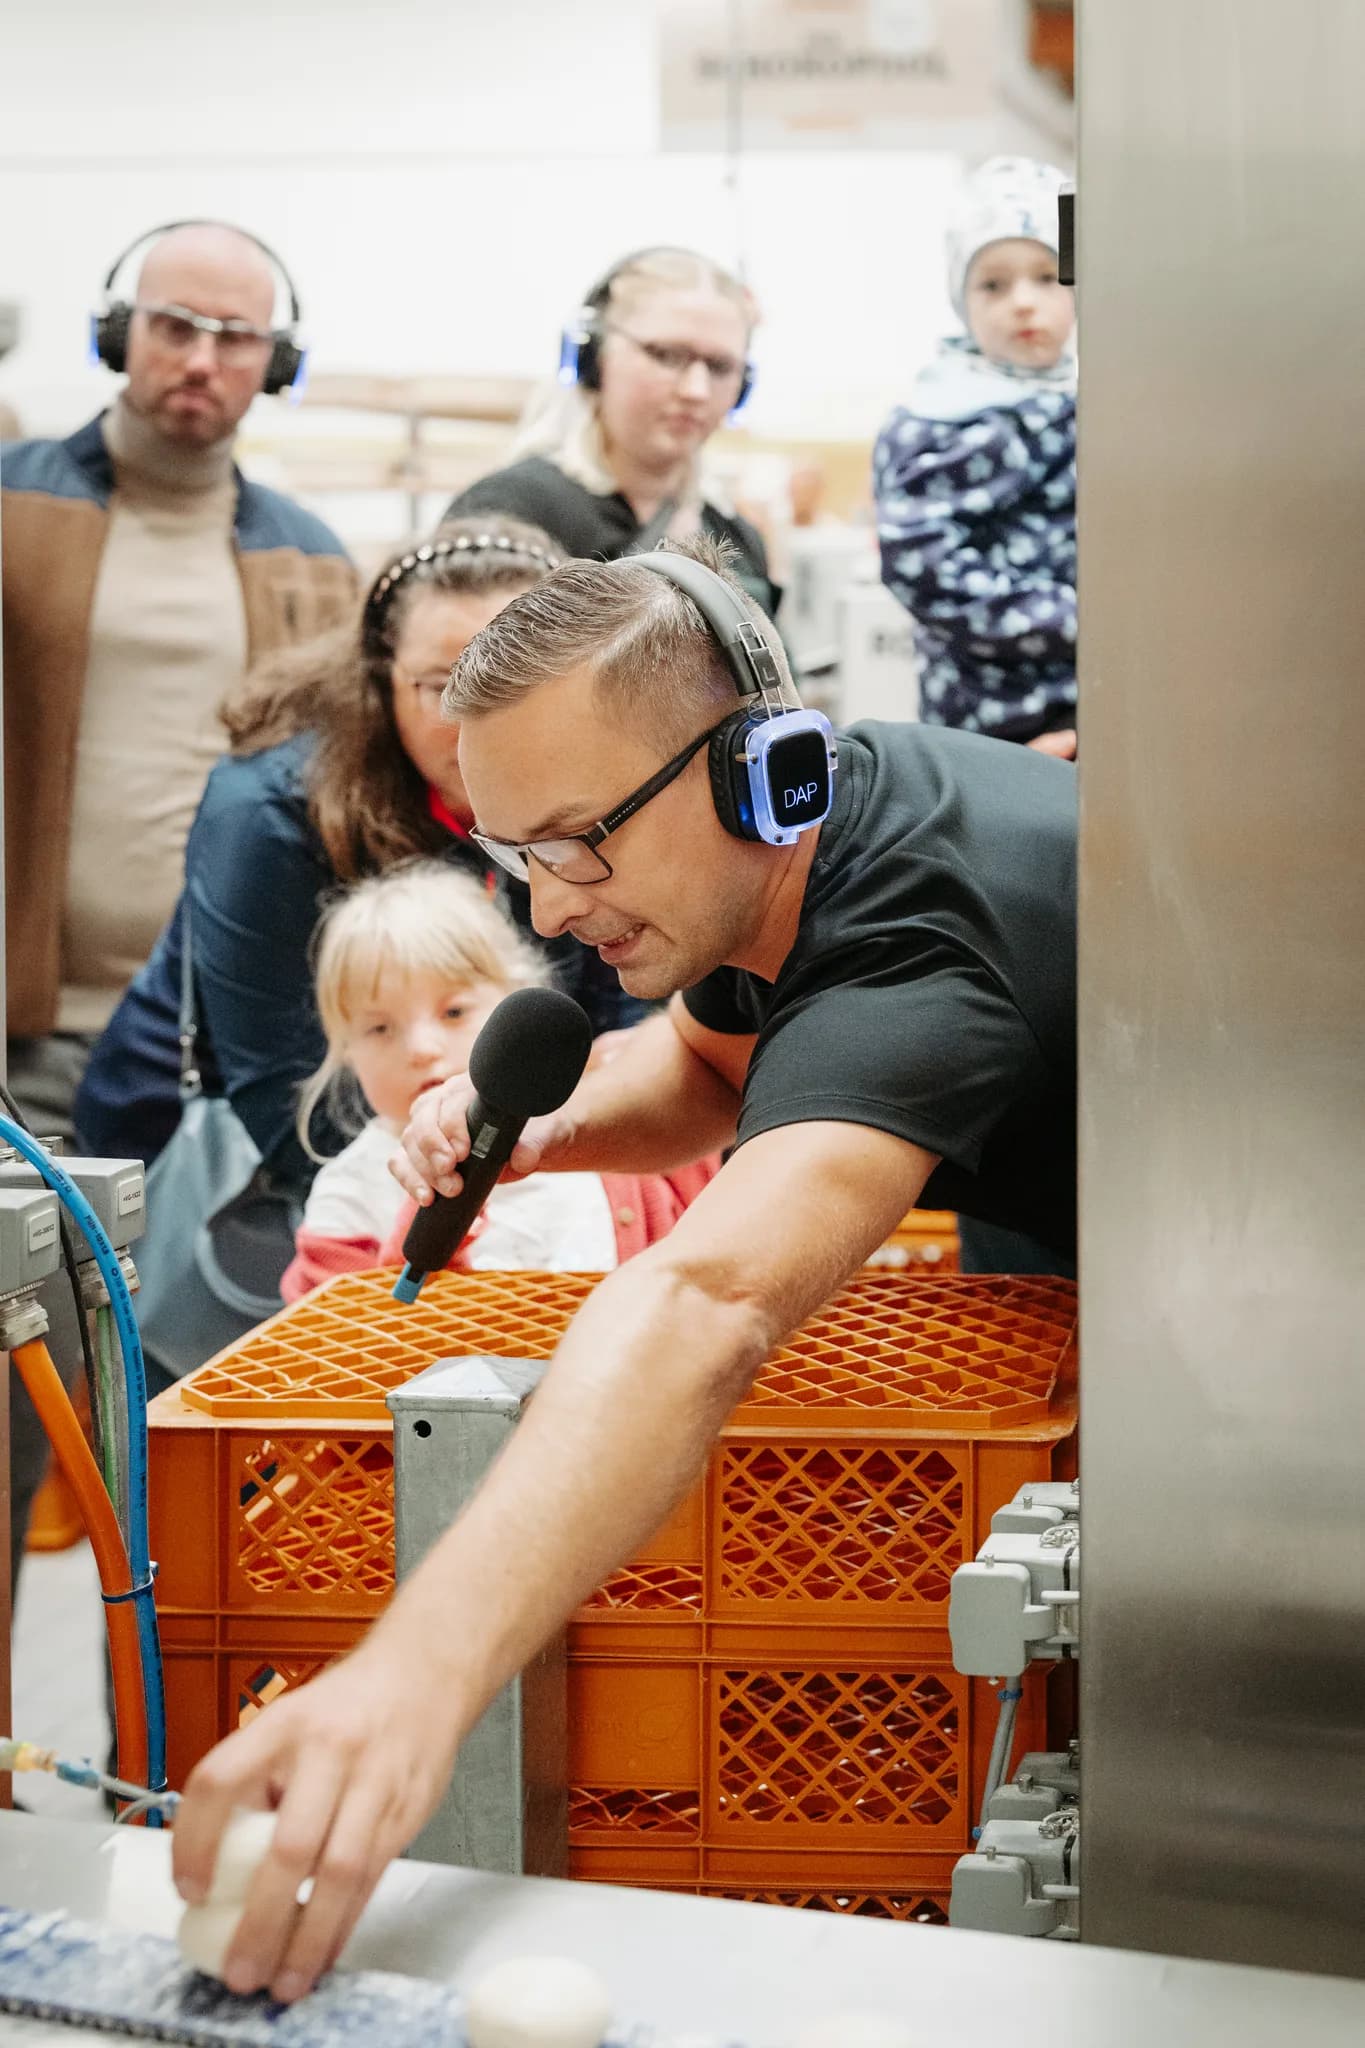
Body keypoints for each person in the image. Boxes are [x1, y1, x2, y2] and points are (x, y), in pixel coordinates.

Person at [171, 536, 1076, 2002]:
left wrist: (413, 1684)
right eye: (518, 850)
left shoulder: (910, 945)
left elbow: (703, 1303)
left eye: (580, 843)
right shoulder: (801, 838)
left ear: (752, 768)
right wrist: (540, 1127)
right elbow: (714, 1063)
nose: (545, 911)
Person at [2, 219, 353, 1588]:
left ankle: (150, 1783)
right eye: (173, 325)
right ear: (118, 334)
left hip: (200, 1075)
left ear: (276, 362)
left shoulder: (309, 556)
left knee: (168, 1447)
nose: (201, 359)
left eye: (235, 336)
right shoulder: (18, 502)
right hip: (24, 1044)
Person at [76, 518, 642, 1200]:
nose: (479, 721)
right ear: (380, 677)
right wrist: (481, 1189)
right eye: (442, 685)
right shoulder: (270, 814)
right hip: (211, 1168)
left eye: (521, 680)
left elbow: (619, 1021)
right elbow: (286, 1103)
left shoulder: (595, 788)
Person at [281, 861, 716, 1298]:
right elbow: (342, 1345)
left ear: (512, 1004)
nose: (421, 1049)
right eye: (380, 1029)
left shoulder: (604, 1108)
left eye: (453, 1012)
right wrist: (428, 1222)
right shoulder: (349, 1196)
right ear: (345, 1053)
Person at [446, 245, 779, 618]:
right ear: (591, 357)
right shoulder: (506, 515)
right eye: (666, 355)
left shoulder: (737, 540)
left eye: (719, 367)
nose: (696, 391)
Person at [873, 157, 1077, 756]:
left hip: (1084, 696)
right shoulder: (944, 415)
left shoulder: (1077, 395)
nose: (1023, 302)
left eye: (1047, 276)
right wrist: (1074, 618)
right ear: (962, 300)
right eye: (993, 284)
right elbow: (919, 564)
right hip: (988, 713)